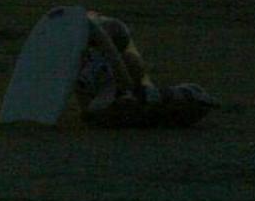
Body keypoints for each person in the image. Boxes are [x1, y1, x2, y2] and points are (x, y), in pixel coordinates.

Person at [75, 11, 220, 128]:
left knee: (129, 71)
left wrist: (101, 37)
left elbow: (123, 84)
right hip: (124, 100)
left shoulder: (117, 67)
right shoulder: (99, 64)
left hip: (128, 100)